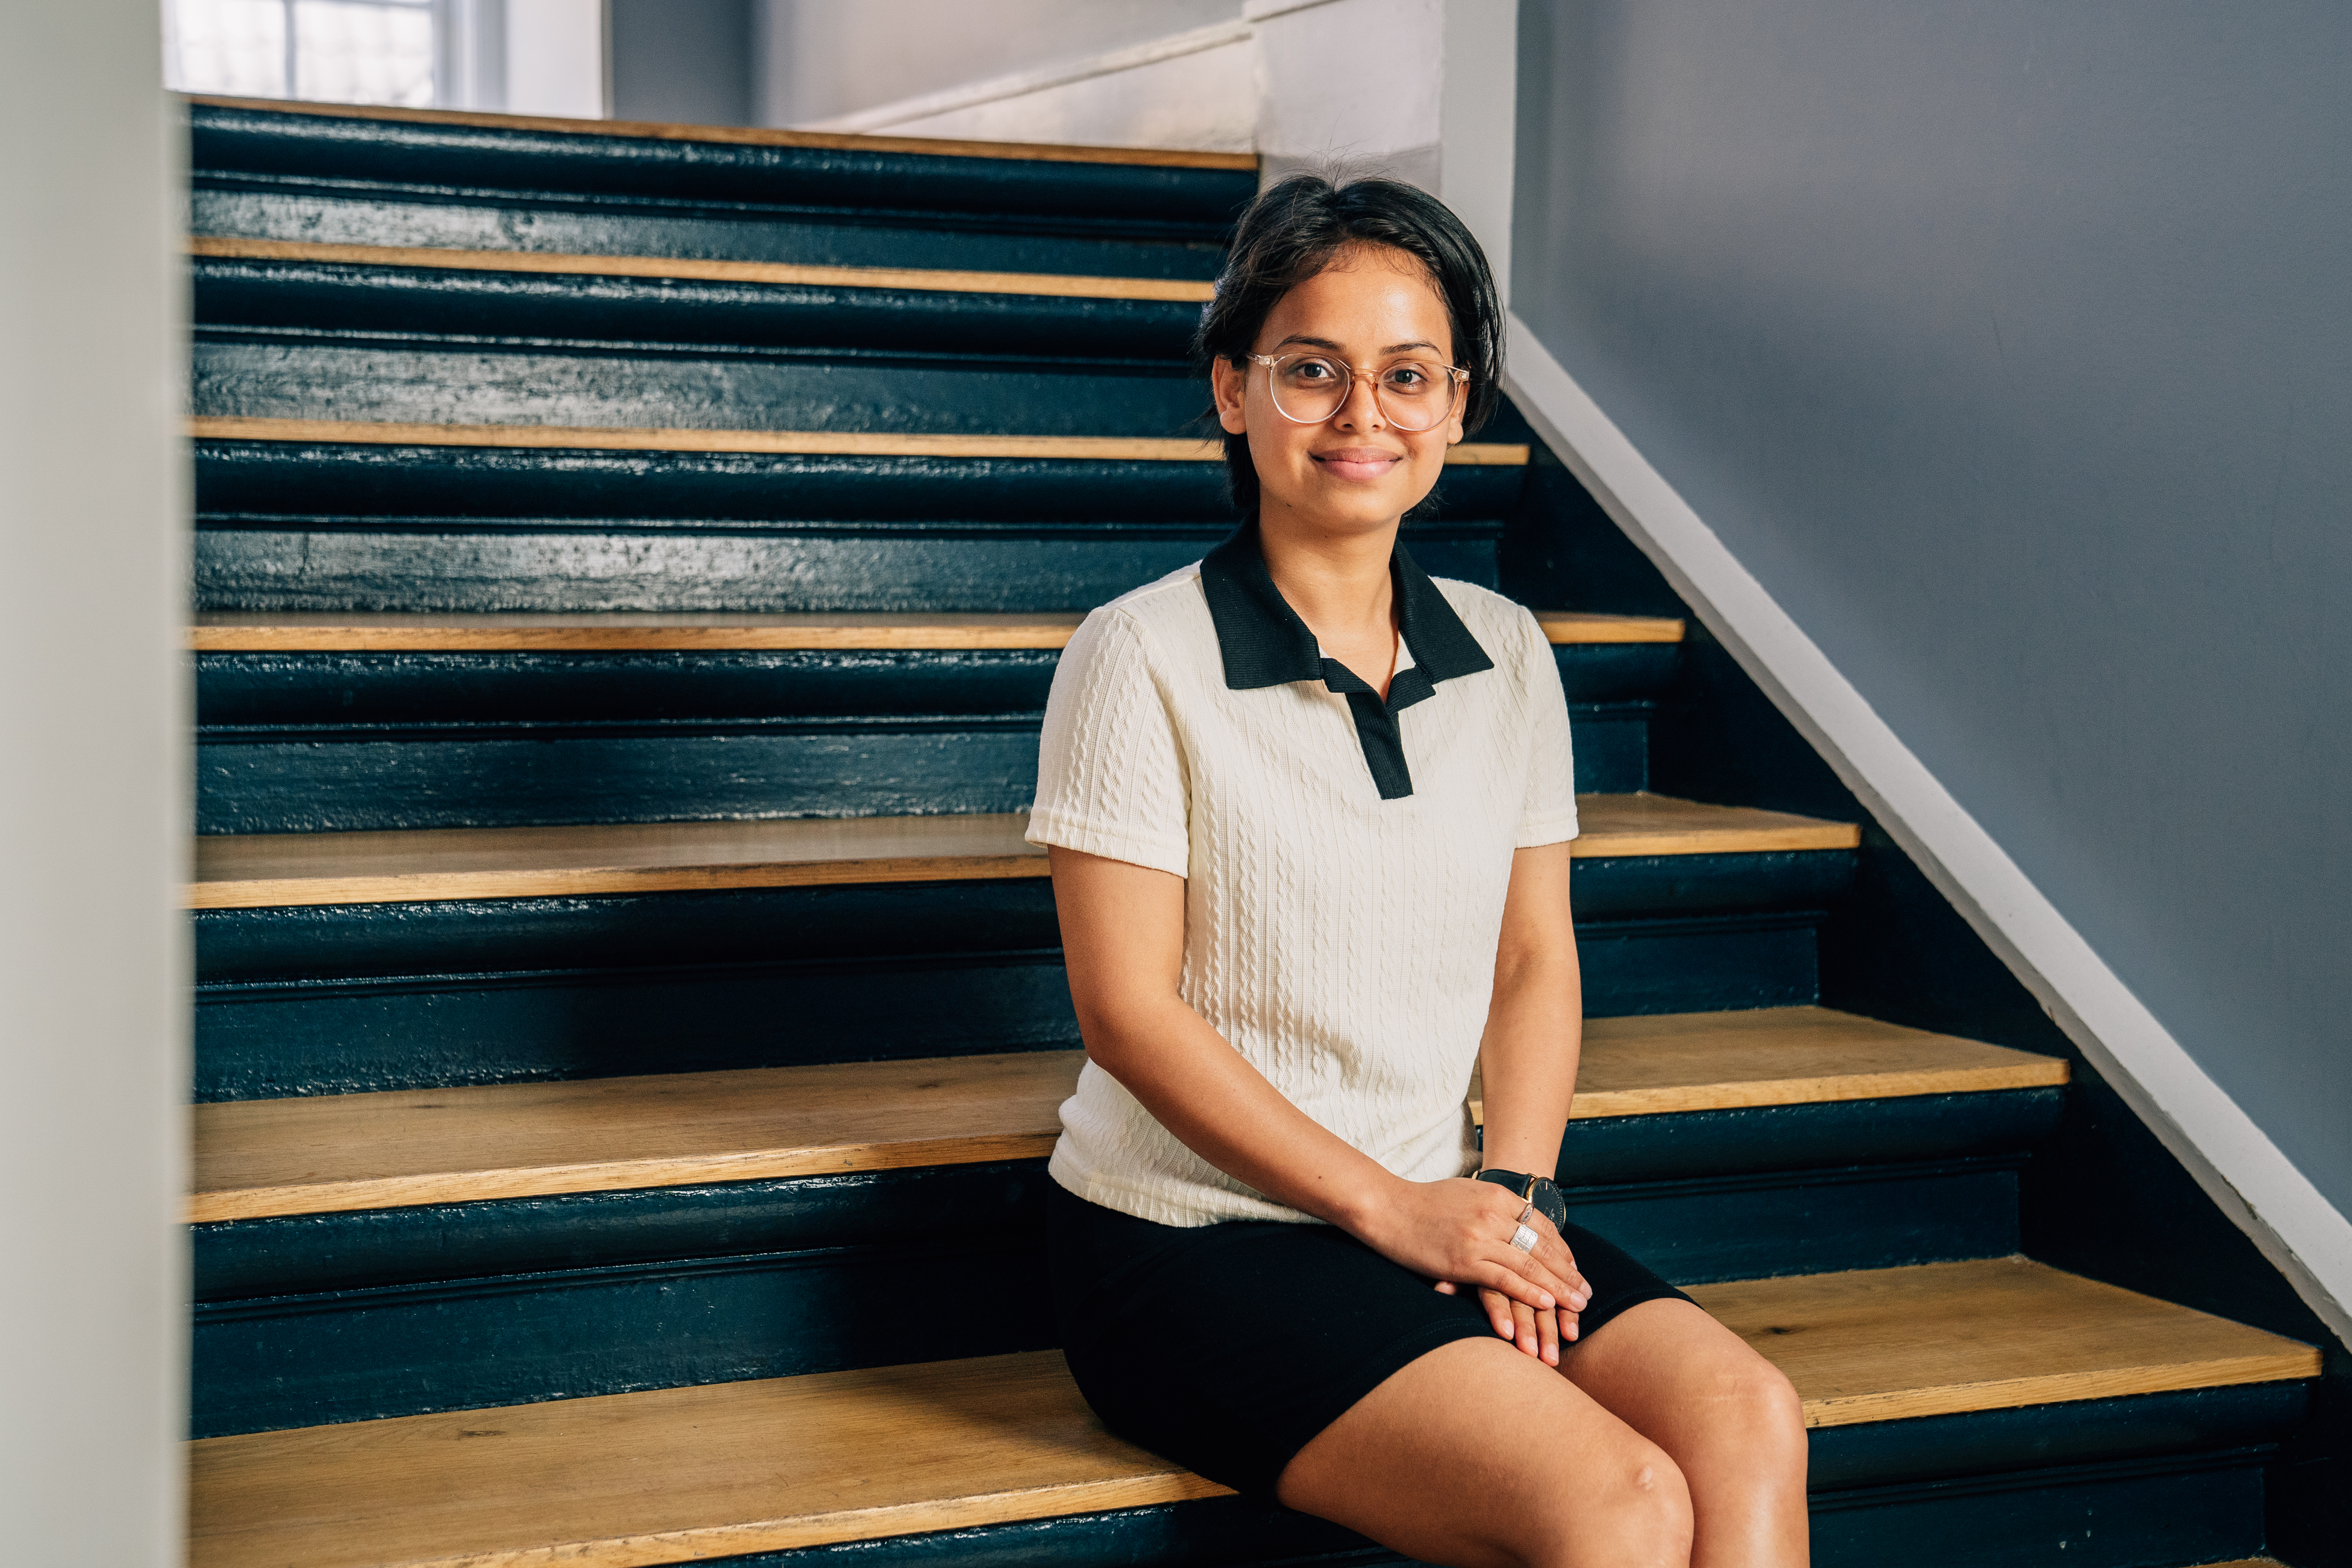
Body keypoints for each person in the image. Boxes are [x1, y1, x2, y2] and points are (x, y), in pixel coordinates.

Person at [1027, 174, 1811, 1568]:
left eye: (1406, 376)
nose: (1361, 415)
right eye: (1310, 371)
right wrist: (1392, 1212)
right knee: (1618, 1500)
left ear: (1455, 408)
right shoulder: (1136, 653)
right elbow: (1127, 1016)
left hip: (1448, 1199)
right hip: (1198, 1235)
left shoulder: (1507, 651)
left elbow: (1531, 958)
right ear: (1233, 391)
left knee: (1747, 1420)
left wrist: (1516, 1199)